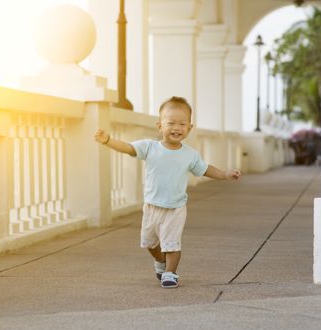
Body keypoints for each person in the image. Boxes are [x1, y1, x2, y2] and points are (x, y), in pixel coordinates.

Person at [94, 96, 242, 288]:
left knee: (171, 243)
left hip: (175, 207)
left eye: (182, 124)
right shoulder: (150, 147)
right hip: (152, 206)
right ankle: (161, 262)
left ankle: (171, 272)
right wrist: (108, 140)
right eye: (170, 123)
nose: (176, 128)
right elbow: (129, 148)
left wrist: (224, 174)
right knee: (150, 243)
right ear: (159, 126)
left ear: (190, 127)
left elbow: (205, 169)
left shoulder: (189, 154)